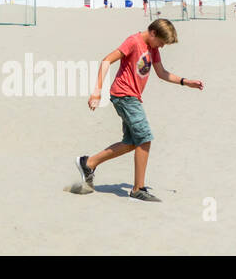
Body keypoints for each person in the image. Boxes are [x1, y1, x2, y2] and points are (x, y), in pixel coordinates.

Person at [73, 19, 204, 201]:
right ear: (152, 33)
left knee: (132, 143)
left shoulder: (153, 48)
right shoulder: (133, 41)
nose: (162, 47)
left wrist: (185, 81)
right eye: (161, 42)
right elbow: (106, 61)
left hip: (132, 98)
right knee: (145, 137)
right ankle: (137, 189)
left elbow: (161, 73)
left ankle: (89, 163)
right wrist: (97, 92)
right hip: (124, 96)